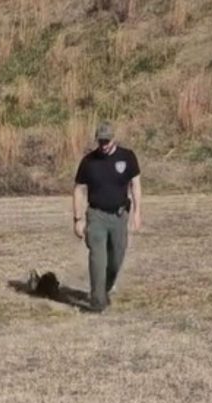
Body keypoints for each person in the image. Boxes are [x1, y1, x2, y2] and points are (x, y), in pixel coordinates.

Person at [73, 121, 142, 313]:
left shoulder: (127, 157)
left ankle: (104, 289)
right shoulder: (88, 162)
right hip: (96, 216)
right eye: (100, 141)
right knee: (98, 260)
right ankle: (97, 303)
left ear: (114, 139)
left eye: (107, 140)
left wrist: (137, 212)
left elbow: (135, 184)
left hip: (120, 216)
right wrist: (78, 219)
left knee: (115, 260)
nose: (103, 144)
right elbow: (78, 189)